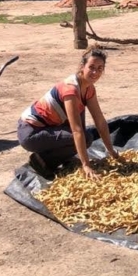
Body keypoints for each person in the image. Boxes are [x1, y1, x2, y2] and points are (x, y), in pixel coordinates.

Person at [17, 48, 119, 180]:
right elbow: (76, 131)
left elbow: (100, 121)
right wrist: (86, 165)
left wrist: (111, 151)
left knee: (84, 135)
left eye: (100, 68)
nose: (95, 72)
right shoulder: (70, 89)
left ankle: (61, 157)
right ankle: (41, 161)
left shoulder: (89, 89)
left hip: (48, 128)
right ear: (82, 67)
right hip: (30, 132)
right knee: (84, 137)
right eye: (91, 67)